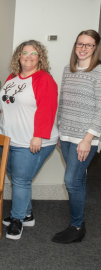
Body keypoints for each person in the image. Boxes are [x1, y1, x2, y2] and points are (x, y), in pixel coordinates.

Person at [0, 40, 59, 240]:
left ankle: (17, 221)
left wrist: (39, 136)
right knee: (17, 177)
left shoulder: (44, 79)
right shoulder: (12, 77)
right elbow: (6, 102)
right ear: (19, 56)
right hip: (10, 138)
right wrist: (0, 115)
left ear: (40, 58)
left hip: (32, 140)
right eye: (25, 53)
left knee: (21, 180)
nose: (29, 56)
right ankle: (27, 213)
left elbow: (47, 109)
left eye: (34, 53)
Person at [53, 30, 101, 244]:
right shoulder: (68, 69)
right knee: (78, 179)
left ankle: (77, 225)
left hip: (85, 138)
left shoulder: (99, 72)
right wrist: (59, 130)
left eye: (88, 45)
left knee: (71, 180)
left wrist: (88, 138)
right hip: (66, 135)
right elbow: (63, 102)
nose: (83, 48)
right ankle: (78, 223)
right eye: (80, 44)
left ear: (95, 48)